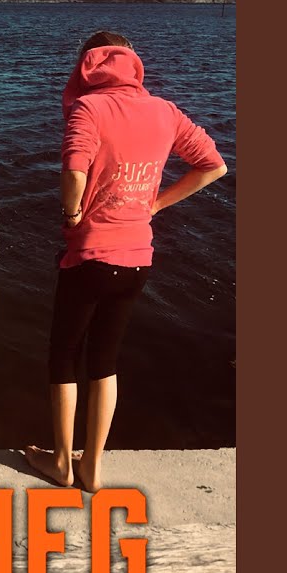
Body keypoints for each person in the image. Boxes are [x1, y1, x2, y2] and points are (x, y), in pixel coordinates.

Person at [25, 32, 228, 492]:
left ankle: (62, 463)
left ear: (86, 67)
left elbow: (74, 169)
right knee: (105, 359)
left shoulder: (89, 108)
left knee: (64, 356)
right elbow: (213, 165)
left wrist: (72, 214)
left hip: (90, 254)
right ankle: (92, 468)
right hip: (138, 256)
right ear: (132, 64)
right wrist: (155, 204)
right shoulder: (165, 111)